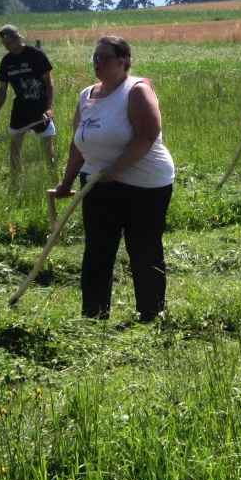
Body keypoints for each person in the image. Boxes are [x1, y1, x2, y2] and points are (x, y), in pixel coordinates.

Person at [53, 36, 175, 322]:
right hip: (96, 182)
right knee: (97, 248)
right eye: (94, 57)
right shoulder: (87, 96)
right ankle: (93, 315)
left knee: (143, 247)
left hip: (145, 185)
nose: (97, 62)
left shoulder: (136, 91)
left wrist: (117, 169)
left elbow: (147, 135)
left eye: (104, 57)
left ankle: (151, 313)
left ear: (123, 61)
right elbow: (77, 143)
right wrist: (67, 181)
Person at [0, 24, 55, 173]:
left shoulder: (36, 55)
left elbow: (49, 83)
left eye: (9, 43)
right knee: (14, 146)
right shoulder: (7, 61)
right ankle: (15, 182)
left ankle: (53, 176)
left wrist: (48, 107)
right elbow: (2, 90)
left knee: (47, 147)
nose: (6, 47)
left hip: (39, 108)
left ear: (18, 38)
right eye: (4, 44)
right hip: (20, 109)